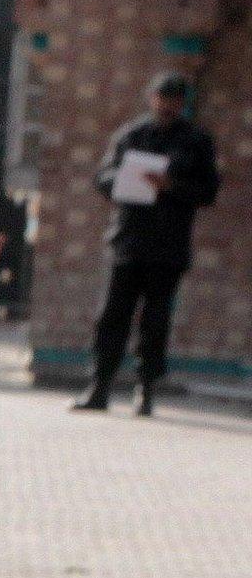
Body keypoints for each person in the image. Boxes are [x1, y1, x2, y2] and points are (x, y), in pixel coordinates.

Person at [74, 72, 219, 416]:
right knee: (111, 317)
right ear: (152, 98)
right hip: (128, 240)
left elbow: (208, 191)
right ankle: (100, 385)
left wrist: (171, 186)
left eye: (174, 100)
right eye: (162, 98)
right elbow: (103, 177)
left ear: (182, 103)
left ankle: (146, 388)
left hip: (167, 245)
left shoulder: (196, 142)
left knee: (155, 321)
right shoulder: (131, 136)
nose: (166, 106)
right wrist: (126, 180)